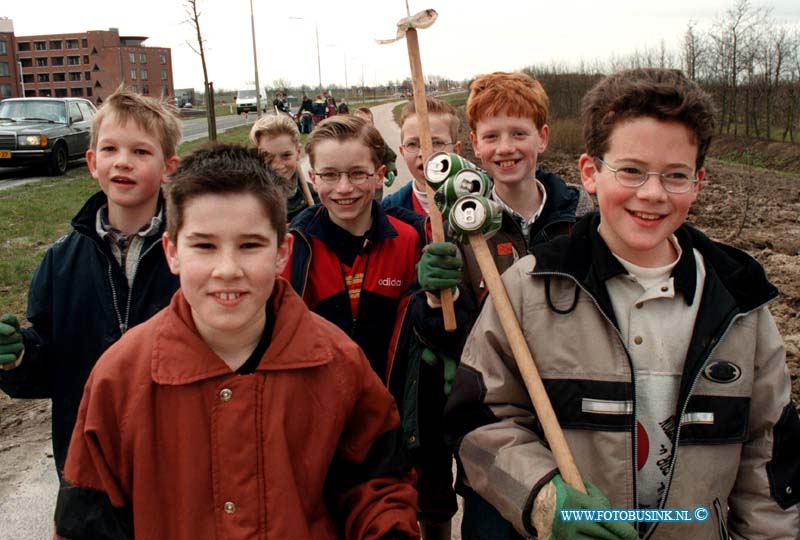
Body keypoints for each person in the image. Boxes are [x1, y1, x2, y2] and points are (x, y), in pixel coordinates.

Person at [445, 68, 800, 540]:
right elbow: (479, 419)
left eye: (675, 176)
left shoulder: (740, 303)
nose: (652, 194)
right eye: (630, 171)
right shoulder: (529, 290)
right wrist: (543, 497)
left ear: (697, 182)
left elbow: (768, 459)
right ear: (591, 173)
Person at [54, 144, 421, 539]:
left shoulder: (338, 363)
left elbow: (377, 486)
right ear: (172, 253)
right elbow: (87, 523)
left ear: (282, 253)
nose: (227, 270)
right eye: (204, 246)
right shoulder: (120, 377)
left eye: (249, 245)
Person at [285, 115, 471, 540]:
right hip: (324, 421)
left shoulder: (415, 238)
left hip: (406, 419)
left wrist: (439, 298)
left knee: (427, 507)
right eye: (329, 175)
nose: (344, 188)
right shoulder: (293, 247)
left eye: (357, 174)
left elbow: (444, 332)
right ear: (312, 178)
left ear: (380, 176)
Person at [0, 89, 181, 479]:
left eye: (141, 152)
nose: (123, 162)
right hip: (88, 460)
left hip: (177, 456)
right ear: (92, 162)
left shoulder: (192, 253)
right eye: (111, 149)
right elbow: (50, 358)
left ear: (168, 166)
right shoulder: (61, 260)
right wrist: (18, 357)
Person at [381, 97, 462, 218]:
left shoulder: (479, 200)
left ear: (456, 150)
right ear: (402, 152)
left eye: (436, 143)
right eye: (412, 144)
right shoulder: (389, 210)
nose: (424, 153)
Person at [249, 112, 319, 221]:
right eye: (267, 156)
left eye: (286, 155)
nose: (277, 165)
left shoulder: (316, 199)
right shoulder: (246, 201)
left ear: (298, 152)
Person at [354, 106, 398, 201]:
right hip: (354, 183)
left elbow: (388, 156)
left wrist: (389, 170)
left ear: (373, 125)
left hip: (374, 184)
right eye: (358, 123)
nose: (363, 128)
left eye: (367, 123)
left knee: (374, 205)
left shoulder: (378, 141)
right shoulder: (347, 144)